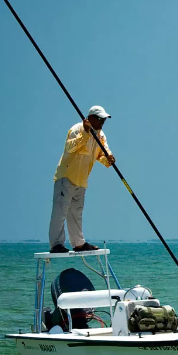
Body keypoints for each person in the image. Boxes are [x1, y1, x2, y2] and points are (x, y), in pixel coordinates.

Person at [48, 106, 116, 253]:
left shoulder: (100, 135)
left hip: (82, 180)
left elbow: (102, 154)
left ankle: (78, 243)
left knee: (76, 214)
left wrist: (109, 159)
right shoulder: (77, 129)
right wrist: (85, 133)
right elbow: (70, 147)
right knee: (60, 212)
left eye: (104, 119)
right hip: (66, 177)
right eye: (99, 119)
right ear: (90, 118)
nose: (102, 122)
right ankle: (56, 244)